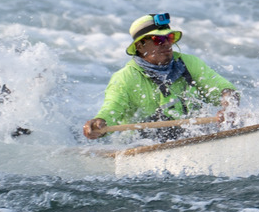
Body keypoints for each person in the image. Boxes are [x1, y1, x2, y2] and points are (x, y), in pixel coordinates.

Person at [82, 13, 239, 140]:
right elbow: (111, 112)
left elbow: (226, 90)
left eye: (169, 38)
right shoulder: (124, 78)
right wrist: (98, 125)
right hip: (143, 144)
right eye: (158, 39)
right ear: (139, 45)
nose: (166, 44)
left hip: (194, 137)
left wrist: (229, 107)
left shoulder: (190, 63)